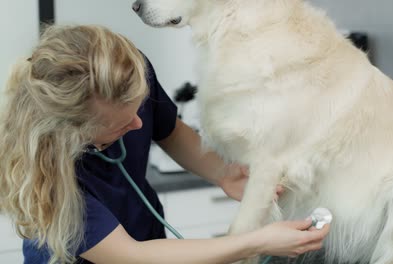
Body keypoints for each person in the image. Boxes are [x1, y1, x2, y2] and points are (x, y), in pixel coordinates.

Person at [0, 24, 330, 264]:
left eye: (137, 108)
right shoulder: (48, 181)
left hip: (148, 238)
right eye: (120, 125)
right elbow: (131, 256)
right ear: (73, 132)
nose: (138, 125)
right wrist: (256, 242)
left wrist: (222, 172)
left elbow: (168, 130)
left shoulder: (128, 74)